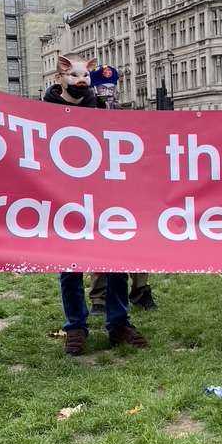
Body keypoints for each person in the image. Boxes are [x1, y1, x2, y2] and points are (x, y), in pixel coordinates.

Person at [43, 54, 147, 356]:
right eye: (73, 75)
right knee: (70, 265)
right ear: (60, 77)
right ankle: (76, 326)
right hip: (63, 197)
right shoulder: (42, 111)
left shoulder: (101, 108)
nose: (80, 81)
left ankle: (119, 323)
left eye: (84, 76)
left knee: (116, 260)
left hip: (103, 196)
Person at [83, 65, 159, 316]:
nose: (107, 92)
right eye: (101, 88)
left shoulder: (125, 114)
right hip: (97, 186)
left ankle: (140, 290)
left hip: (127, 186)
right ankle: (99, 296)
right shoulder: (83, 113)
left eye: (111, 87)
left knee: (136, 238)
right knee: (99, 241)